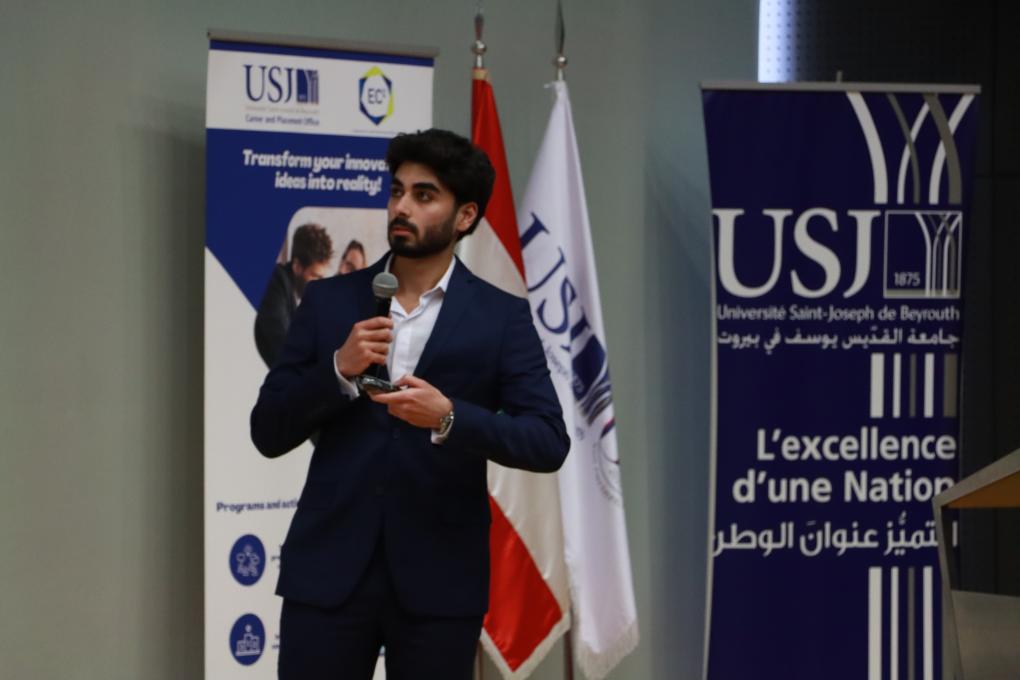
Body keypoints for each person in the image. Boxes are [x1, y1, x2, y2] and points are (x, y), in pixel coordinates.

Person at [250, 129, 569, 680]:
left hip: (439, 580)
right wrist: (337, 370)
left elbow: (547, 440)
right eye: (397, 191)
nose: (401, 207)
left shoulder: (501, 318)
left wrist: (449, 418)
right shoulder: (328, 301)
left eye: (425, 195)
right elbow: (267, 430)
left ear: (465, 216)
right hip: (328, 573)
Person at [254, 223, 334, 367]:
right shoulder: (276, 281)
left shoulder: (304, 299)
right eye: (315, 276)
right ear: (297, 266)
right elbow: (282, 344)